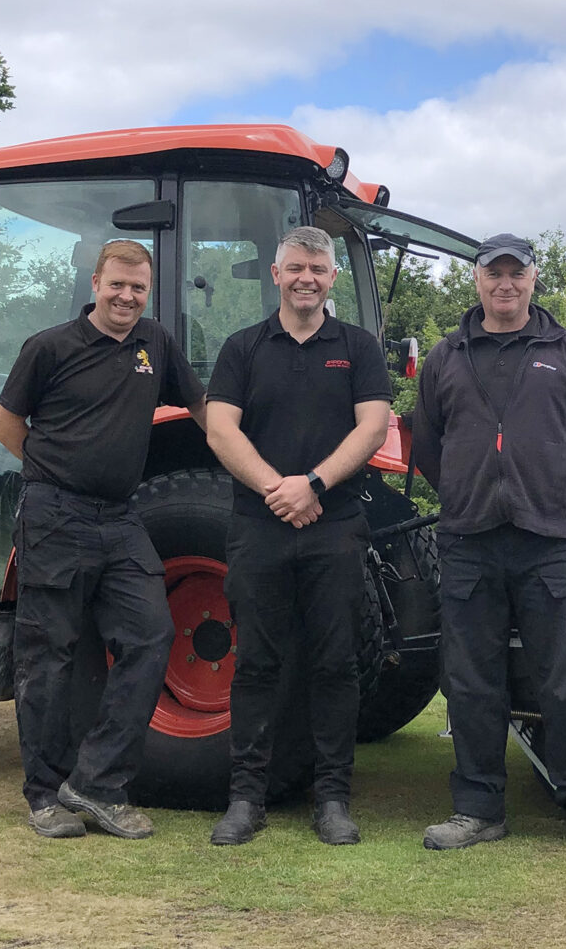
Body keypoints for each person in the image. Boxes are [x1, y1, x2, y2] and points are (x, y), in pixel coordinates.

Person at [413, 233, 566, 859]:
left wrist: (554, 498)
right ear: (476, 280)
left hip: (549, 543)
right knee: (472, 681)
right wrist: (467, 493)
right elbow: (428, 445)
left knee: (562, 677)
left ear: (534, 280)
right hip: (468, 542)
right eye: (493, 273)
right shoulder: (446, 356)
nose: (505, 283)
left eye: (517, 273)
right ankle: (477, 809)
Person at [0, 239, 206, 841]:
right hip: (55, 517)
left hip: (120, 517)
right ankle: (43, 794)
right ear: (95, 283)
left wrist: (255, 457)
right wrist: (54, 470)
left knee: (151, 635)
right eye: (118, 285)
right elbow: (5, 424)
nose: (127, 297)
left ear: (149, 291)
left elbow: (201, 406)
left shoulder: (155, 343)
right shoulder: (50, 347)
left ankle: (98, 782)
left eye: (138, 288)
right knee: (49, 655)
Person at [203, 226, 393, 846]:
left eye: (317, 268)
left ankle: (333, 797)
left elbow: (373, 426)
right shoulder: (242, 348)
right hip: (258, 528)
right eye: (295, 268)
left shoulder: (358, 347)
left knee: (335, 664)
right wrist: (277, 491)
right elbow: (221, 431)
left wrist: (312, 483)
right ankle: (246, 798)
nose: (306, 278)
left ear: (331, 278)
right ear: (276, 276)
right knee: (257, 662)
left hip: (335, 528)